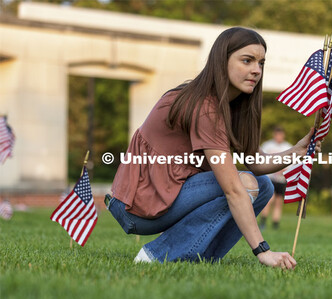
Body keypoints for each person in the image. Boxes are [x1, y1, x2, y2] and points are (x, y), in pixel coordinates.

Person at [106, 27, 319, 270]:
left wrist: (298, 151)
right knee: (247, 185)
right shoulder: (203, 106)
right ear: (222, 60)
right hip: (135, 206)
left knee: (264, 185)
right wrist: (263, 251)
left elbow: (256, 164)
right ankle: (158, 254)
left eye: (261, 63)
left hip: (169, 195)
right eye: (247, 60)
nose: (256, 70)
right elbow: (233, 190)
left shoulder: (233, 106)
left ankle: (203, 258)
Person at [259, 126, 292, 230]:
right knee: (269, 199)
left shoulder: (287, 146)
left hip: (282, 179)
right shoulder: (267, 145)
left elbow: (292, 162)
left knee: (278, 201)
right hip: (270, 177)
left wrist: (284, 170)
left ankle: (275, 223)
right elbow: (261, 159)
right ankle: (263, 221)